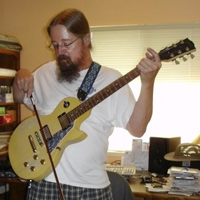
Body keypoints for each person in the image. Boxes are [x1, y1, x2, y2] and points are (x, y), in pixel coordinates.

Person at [13, 8, 161, 200]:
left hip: (91, 189)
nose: (60, 52)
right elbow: (19, 97)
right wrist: (20, 77)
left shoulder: (110, 79)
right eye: (55, 45)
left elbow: (137, 128)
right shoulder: (45, 73)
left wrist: (147, 84)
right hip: (45, 183)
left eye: (66, 44)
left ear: (87, 39)